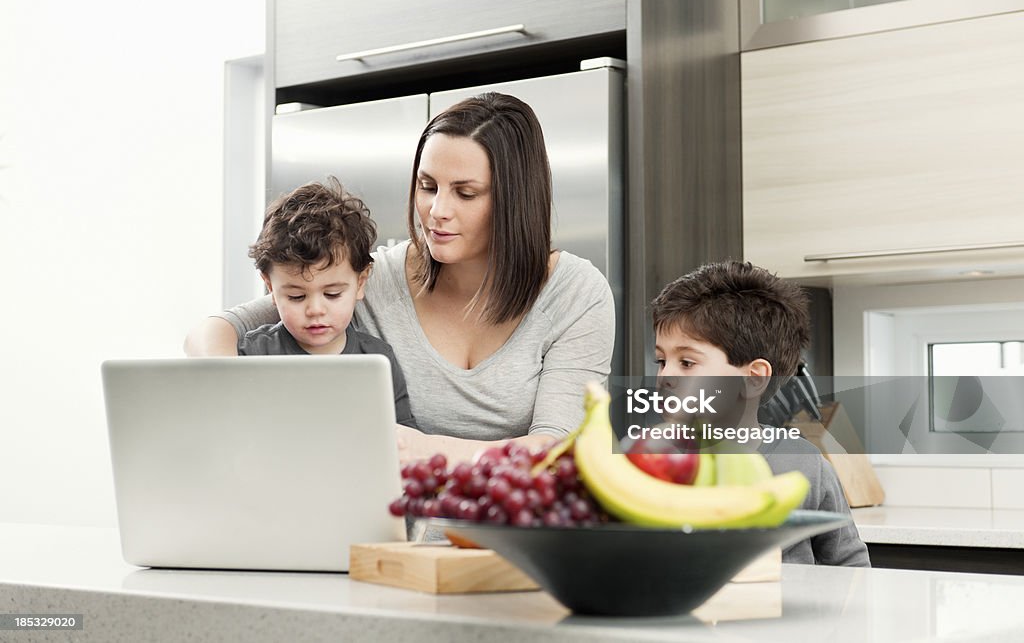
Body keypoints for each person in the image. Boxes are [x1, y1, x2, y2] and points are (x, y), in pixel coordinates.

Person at [184, 93, 615, 463]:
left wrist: (429, 449)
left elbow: (559, 452)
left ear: (515, 200)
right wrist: (231, 393)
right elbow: (216, 331)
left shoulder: (577, 294)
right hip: (390, 536)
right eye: (428, 186)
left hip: (516, 540)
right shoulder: (374, 277)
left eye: (465, 193)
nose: (437, 210)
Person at [649, 261, 870, 567]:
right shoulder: (648, 464)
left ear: (753, 378)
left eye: (687, 362)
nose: (665, 376)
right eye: (661, 360)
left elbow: (850, 565)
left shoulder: (805, 465)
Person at [239, 177, 415, 428]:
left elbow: (402, 440)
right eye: (296, 297)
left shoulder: (378, 360)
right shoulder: (253, 354)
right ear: (270, 287)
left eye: (332, 294)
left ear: (361, 282)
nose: (315, 310)